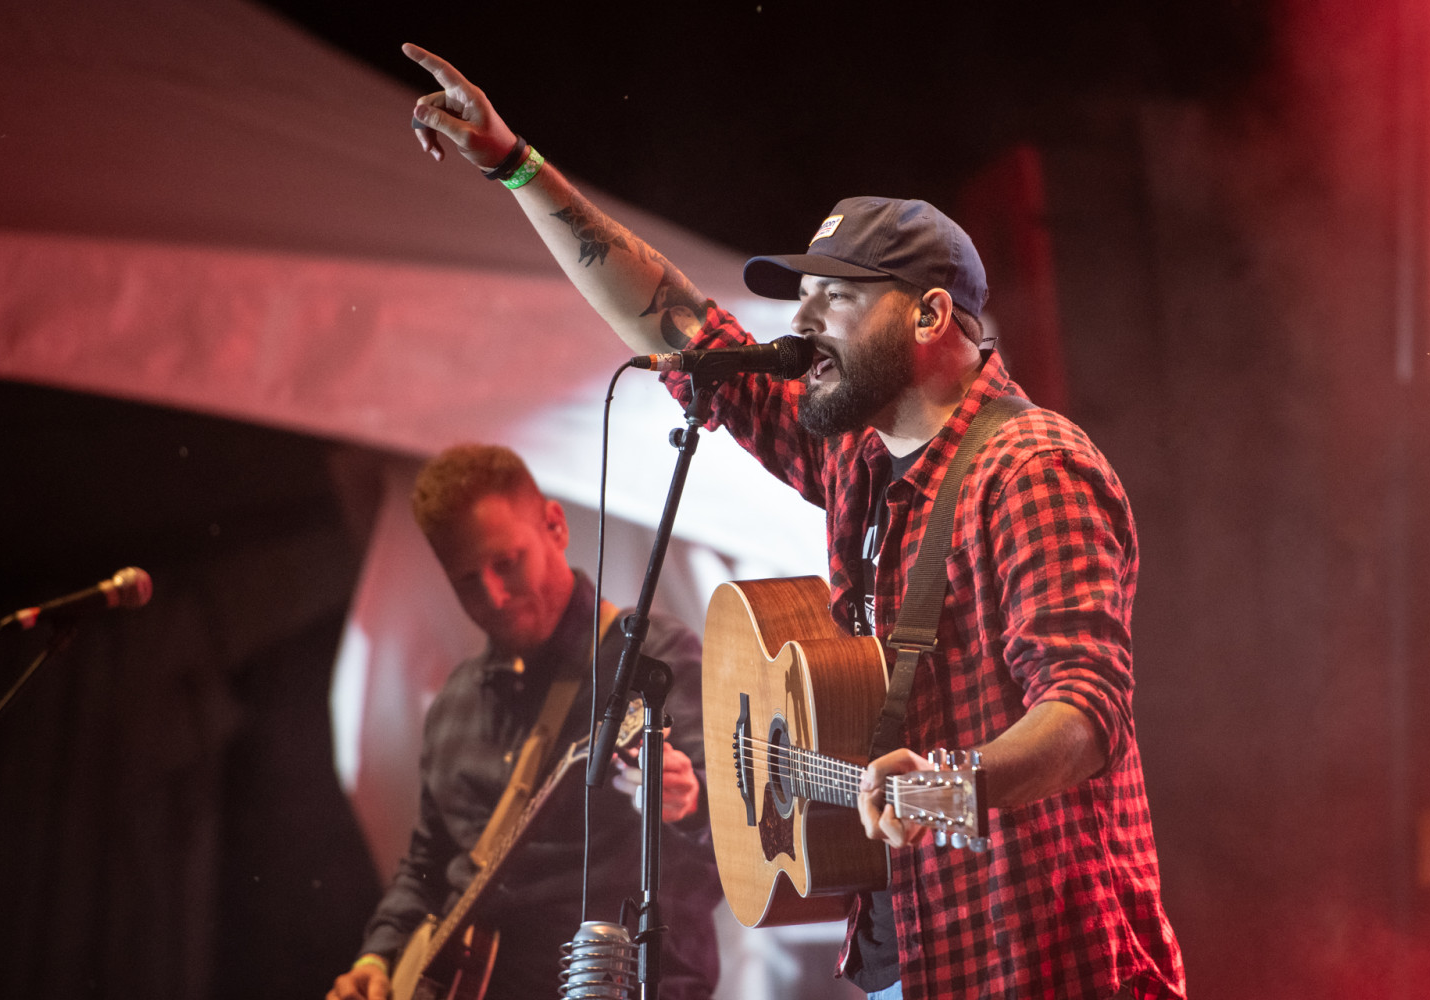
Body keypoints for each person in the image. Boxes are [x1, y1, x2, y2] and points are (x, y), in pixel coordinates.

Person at [399, 43, 1186, 1000]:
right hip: (914, 957)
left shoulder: (1032, 469)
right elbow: (679, 325)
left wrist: (952, 784)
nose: (801, 326)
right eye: (801, 299)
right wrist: (513, 163)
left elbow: (1084, 710)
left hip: (1036, 959)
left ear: (930, 315)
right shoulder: (857, 458)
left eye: (835, 299)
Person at [326, 443, 721, 1000]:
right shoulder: (456, 703)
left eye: (506, 563)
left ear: (555, 526)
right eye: (467, 580)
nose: (492, 596)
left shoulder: (651, 659)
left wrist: (690, 799)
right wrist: (379, 956)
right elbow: (427, 863)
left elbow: (736, 826)